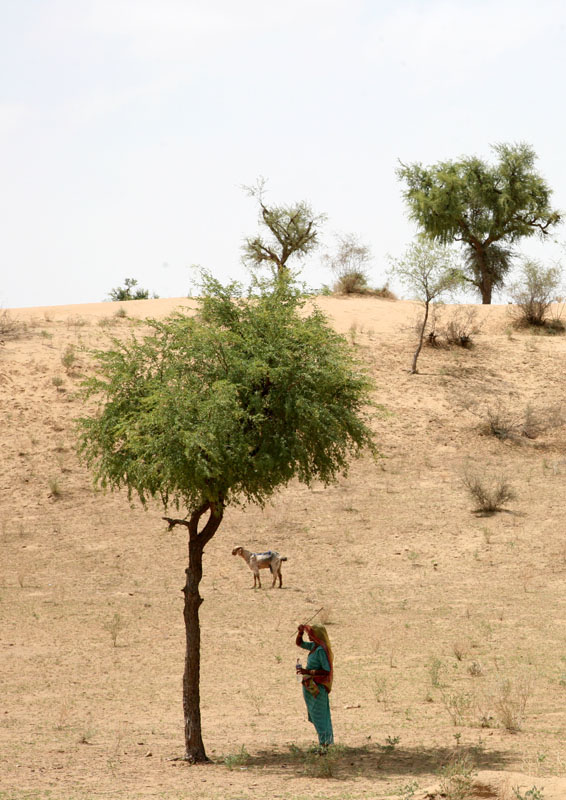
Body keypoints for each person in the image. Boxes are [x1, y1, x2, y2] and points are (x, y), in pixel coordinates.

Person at [296, 623, 334, 748]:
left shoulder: (321, 651)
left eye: (311, 634)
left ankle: (325, 745)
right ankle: (323, 743)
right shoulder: (314, 646)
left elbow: (326, 670)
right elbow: (299, 643)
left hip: (318, 687)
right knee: (316, 714)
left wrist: (308, 672)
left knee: (320, 716)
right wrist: (300, 632)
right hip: (311, 686)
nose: (309, 636)